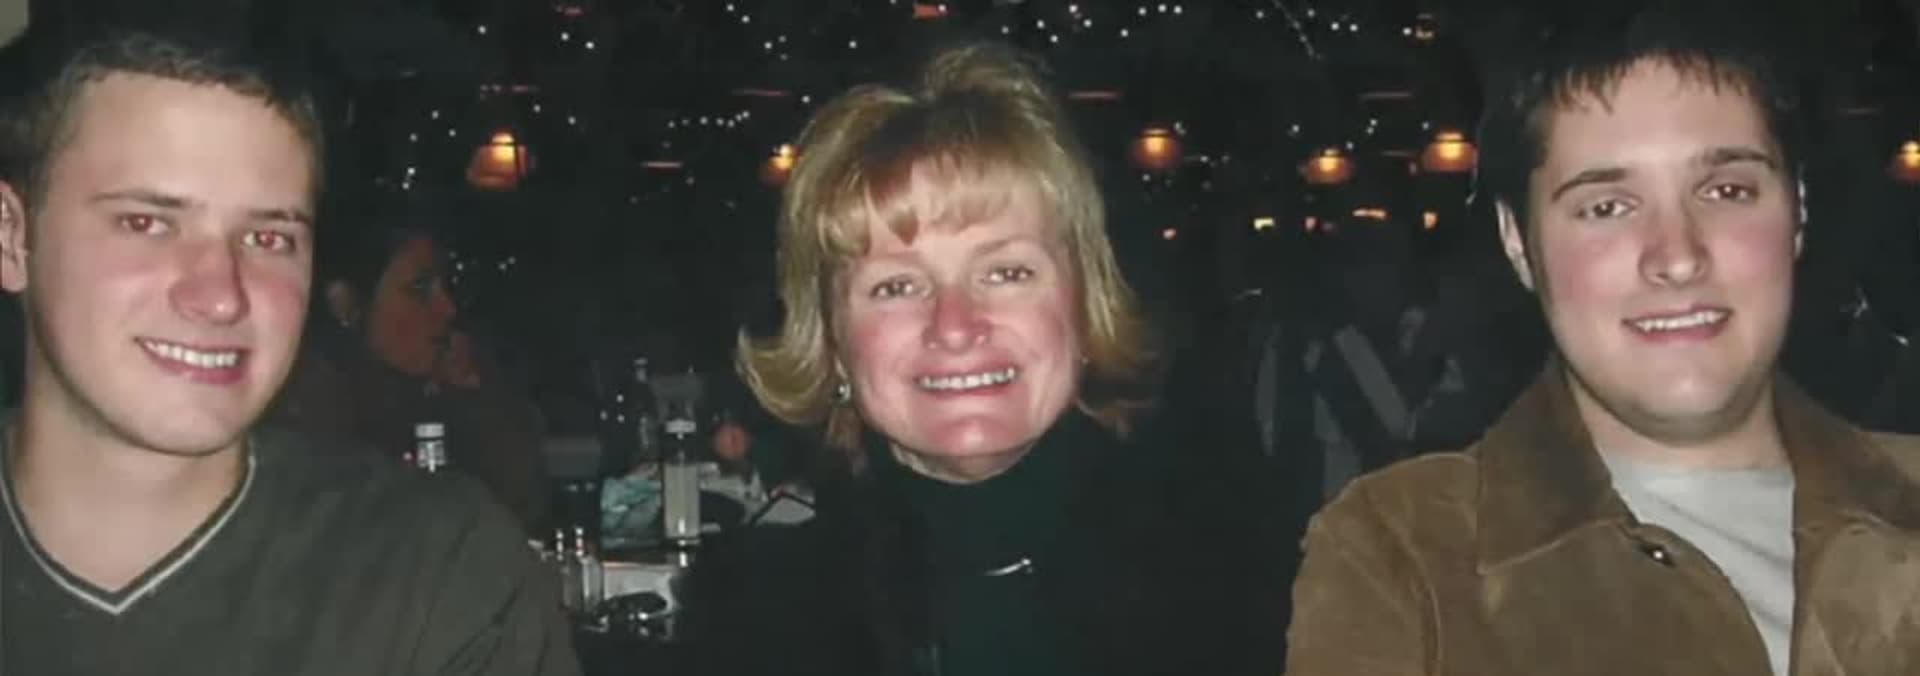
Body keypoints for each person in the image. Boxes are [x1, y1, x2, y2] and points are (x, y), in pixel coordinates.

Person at [1286, 4, 1920, 675]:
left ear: (1798, 212)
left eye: (1726, 190)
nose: (1677, 257)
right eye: (1607, 207)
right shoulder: (1407, 556)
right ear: (1518, 244)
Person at [0, 26, 578, 675]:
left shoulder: (435, 574)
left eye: (268, 238)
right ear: (11, 238)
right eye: (147, 223)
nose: (222, 296)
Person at [689, 43, 1259, 676]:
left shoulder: (1255, 592)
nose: (955, 326)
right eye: (896, 285)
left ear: (1083, 307)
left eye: (1006, 272)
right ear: (832, 345)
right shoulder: (751, 622)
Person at [270, 213, 550, 534]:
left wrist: (474, 399)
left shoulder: (440, 390)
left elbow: (520, 513)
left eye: (444, 287)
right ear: (345, 304)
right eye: (420, 289)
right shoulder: (313, 409)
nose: (447, 308)